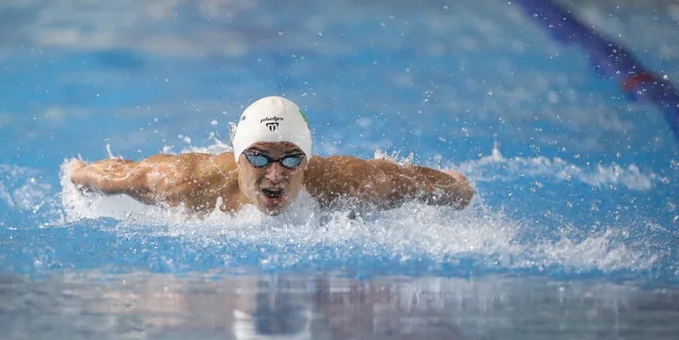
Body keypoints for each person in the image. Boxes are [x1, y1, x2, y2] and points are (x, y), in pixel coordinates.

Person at [70, 96, 474, 216]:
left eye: (292, 159)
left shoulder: (345, 183)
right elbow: (120, 175)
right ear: (237, 156)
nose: (276, 174)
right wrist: (81, 175)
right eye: (260, 158)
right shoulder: (186, 181)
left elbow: (415, 182)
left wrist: (455, 189)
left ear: (309, 161)